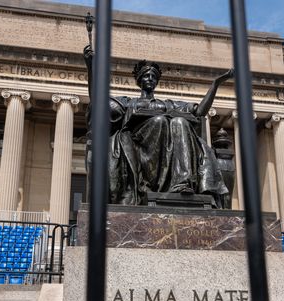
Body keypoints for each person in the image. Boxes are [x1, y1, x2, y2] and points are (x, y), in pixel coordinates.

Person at [84, 45, 233, 207]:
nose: (150, 79)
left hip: (167, 148)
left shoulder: (167, 104)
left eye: (153, 76)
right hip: (138, 144)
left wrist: (216, 84)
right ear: (139, 80)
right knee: (160, 121)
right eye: (146, 76)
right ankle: (151, 184)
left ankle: (182, 182)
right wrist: (90, 67)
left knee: (180, 122)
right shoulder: (129, 103)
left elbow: (200, 112)